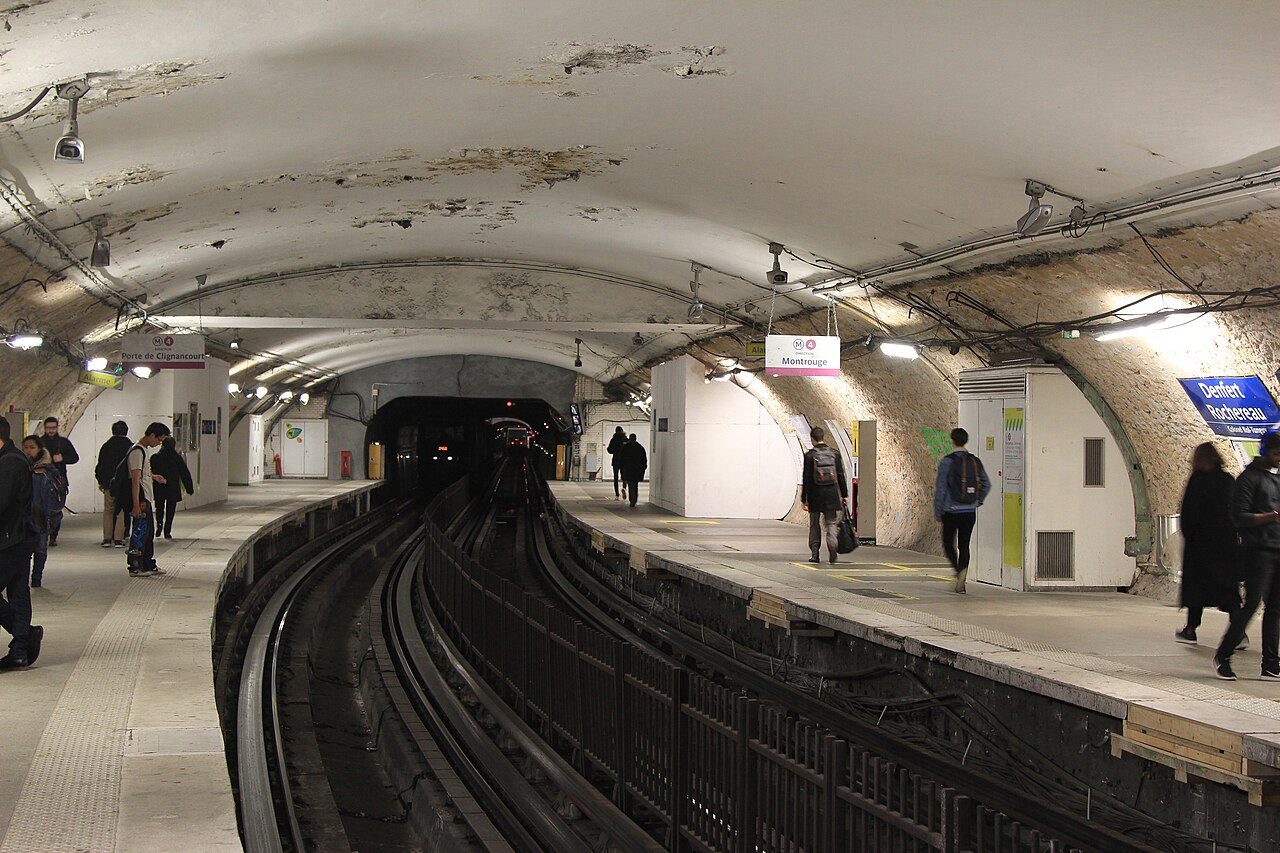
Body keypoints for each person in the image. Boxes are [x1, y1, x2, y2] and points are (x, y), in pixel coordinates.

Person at [1213, 430, 1280, 681]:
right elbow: (1239, 517)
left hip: (1278, 548)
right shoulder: (1248, 479)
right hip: (1257, 551)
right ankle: (1224, 655)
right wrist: (1271, 516)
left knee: (1275, 608)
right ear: (1265, 451)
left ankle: (1271, 663)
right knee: (1252, 604)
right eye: (1276, 453)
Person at [1176, 443, 1245, 647]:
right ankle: (1238, 632)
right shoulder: (1227, 480)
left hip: (1200, 547)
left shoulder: (1197, 481)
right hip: (1224, 545)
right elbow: (1235, 511)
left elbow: (1189, 514)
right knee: (1228, 591)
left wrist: (1190, 537)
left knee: (1196, 590)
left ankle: (1191, 629)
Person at [0, 417, 41, 669]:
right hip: (18, 537)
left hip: (12, 539)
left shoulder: (10, 463)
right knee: (17, 591)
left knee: (18, 591)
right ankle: (21, 647)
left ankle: (23, 637)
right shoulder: (11, 459)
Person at [933, 427, 991, 594]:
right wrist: (977, 501)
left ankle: (959, 571)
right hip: (969, 512)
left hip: (951, 511)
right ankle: (963, 572)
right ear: (965, 441)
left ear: (952, 440)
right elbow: (986, 484)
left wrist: (938, 511)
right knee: (964, 545)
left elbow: (941, 489)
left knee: (947, 543)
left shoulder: (947, 462)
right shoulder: (975, 461)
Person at [124, 422, 172, 577]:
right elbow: (135, 479)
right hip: (141, 499)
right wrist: (136, 504)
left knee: (148, 532)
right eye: (158, 440)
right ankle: (135, 566)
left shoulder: (143, 450)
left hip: (145, 498)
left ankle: (147, 564)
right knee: (140, 532)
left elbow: (142, 475)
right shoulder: (137, 452)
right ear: (151, 435)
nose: (158, 444)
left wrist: (153, 477)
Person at [22, 435, 66, 589]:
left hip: (43, 515)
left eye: (31, 447)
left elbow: (58, 493)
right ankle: (23, 578)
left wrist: (51, 514)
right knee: (24, 550)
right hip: (25, 516)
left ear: (40, 449)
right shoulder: (20, 466)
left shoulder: (49, 469)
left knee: (40, 548)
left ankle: (37, 577)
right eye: (26, 447)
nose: (28, 450)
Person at [801, 426, 849, 564]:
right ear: (823, 437)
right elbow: (840, 476)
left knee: (814, 524)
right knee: (831, 523)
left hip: (815, 495)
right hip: (832, 495)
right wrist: (844, 494)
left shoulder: (810, 455)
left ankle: (815, 554)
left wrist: (804, 499)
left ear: (812, 439)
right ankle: (832, 546)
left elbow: (806, 478)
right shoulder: (835, 453)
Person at [40, 416, 78, 547]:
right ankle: (43, 534)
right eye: (48, 428)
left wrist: (62, 459)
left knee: (56, 509)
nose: (50, 430)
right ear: (44, 428)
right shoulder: (40, 443)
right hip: (42, 480)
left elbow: (75, 458)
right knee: (42, 509)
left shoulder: (63, 443)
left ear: (57, 428)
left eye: (53, 428)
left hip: (59, 481)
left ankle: (53, 535)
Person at [95, 420, 132, 548]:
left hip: (108, 483)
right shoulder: (130, 446)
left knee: (108, 510)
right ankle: (118, 539)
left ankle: (107, 538)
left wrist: (100, 480)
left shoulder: (106, 446)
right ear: (126, 431)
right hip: (124, 483)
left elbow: (100, 465)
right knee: (121, 510)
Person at [151, 436, 194, 539]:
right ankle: (167, 530)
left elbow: (150, 471)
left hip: (159, 487)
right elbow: (184, 473)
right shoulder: (177, 458)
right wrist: (189, 488)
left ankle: (159, 523)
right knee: (170, 510)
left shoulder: (155, 457)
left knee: (159, 507)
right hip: (172, 488)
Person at [618, 433, 647, 508]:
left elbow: (622, 459)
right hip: (637, 470)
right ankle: (634, 500)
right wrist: (643, 468)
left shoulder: (626, 447)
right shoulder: (640, 448)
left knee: (631, 485)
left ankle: (632, 500)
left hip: (628, 469)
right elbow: (644, 460)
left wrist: (621, 468)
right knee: (635, 485)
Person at [607, 426, 628, 501]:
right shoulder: (626, 439)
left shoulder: (613, 440)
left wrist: (614, 451)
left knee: (616, 478)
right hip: (624, 461)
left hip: (616, 460)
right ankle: (624, 488)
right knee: (624, 477)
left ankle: (617, 495)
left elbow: (609, 450)